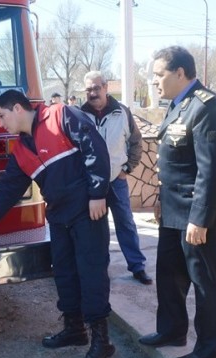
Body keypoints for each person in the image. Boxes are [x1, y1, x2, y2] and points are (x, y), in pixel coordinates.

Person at [0, 89, 114, 358]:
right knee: (65, 273)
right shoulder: (21, 151)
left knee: (91, 273)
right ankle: (75, 329)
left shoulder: (61, 116)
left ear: (18, 108)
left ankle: (102, 340)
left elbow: (95, 148)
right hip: (58, 216)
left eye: (1, 116)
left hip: (86, 212)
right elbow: (6, 191)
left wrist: (98, 193)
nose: (0, 124)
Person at [138, 46, 216, 358]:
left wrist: (201, 219)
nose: (154, 82)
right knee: (169, 275)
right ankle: (171, 330)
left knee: (204, 281)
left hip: (197, 214)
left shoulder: (208, 107)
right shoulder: (178, 105)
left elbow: (213, 171)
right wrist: (162, 204)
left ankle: (210, 350)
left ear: (181, 73)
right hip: (174, 209)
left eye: (159, 75)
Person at [80, 70, 152, 285]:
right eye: (88, 89)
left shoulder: (123, 112)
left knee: (126, 224)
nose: (93, 93)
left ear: (106, 87)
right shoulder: (78, 115)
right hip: (91, 185)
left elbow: (136, 143)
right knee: (95, 229)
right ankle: (99, 269)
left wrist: (127, 168)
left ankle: (137, 266)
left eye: (96, 88)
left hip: (116, 181)